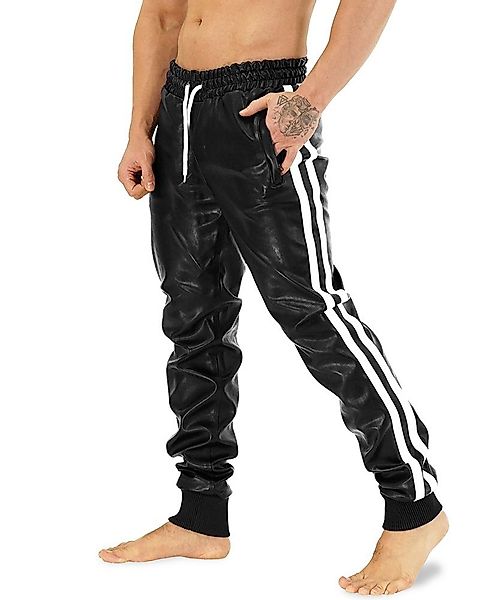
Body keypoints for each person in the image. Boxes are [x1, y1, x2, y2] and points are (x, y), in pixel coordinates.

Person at [99, 0, 449, 594]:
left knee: (312, 311)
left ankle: (415, 508)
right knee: (193, 316)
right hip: (178, 110)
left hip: (262, 107)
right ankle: (201, 514)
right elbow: (161, 15)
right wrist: (140, 128)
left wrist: (308, 101)